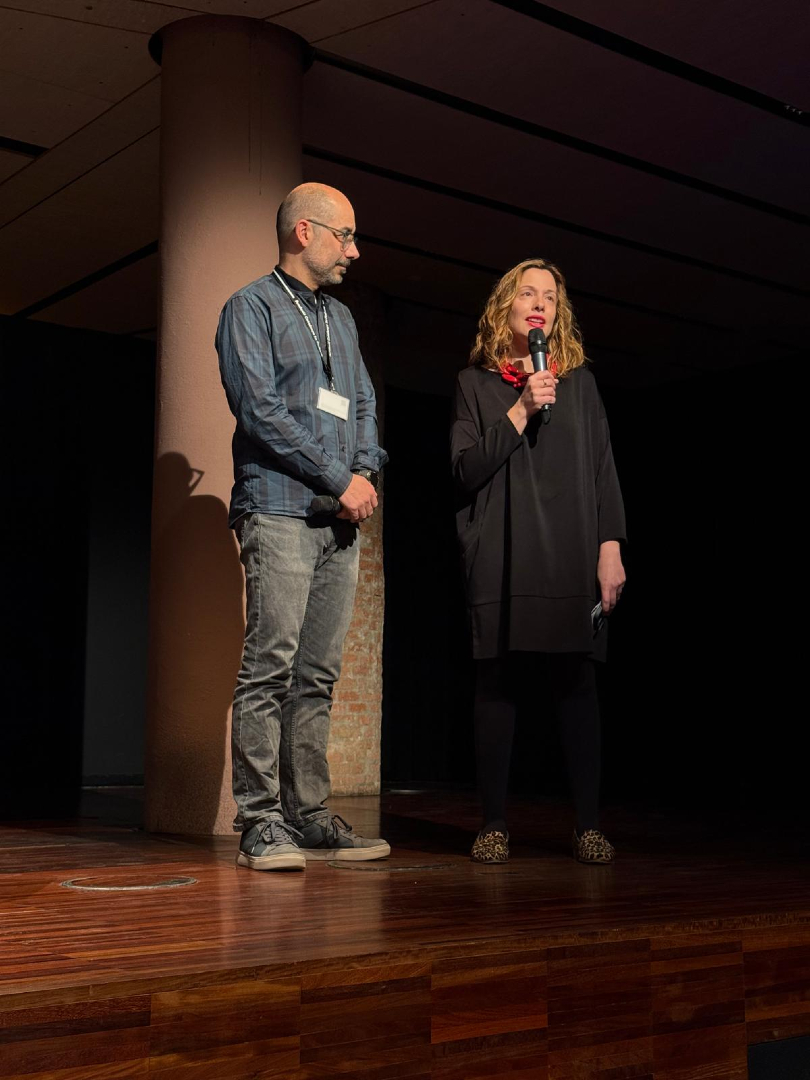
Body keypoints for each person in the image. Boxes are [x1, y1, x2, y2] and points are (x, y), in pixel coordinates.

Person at [216, 183, 390, 871]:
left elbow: (364, 405)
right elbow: (260, 411)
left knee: (316, 675)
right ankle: (259, 822)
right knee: (271, 667)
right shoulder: (250, 307)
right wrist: (337, 478)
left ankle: (309, 815)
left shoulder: (340, 318)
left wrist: (364, 475)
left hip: (337, 520)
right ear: (304, 232)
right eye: (345, 235)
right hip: (281, 509)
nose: (354, 250)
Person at [450, 258, 626, 865]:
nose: (539, 304)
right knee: (497, 685)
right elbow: (465, 470)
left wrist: (611, 546)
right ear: (506, 308)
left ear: (558, 315)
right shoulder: (474, 385)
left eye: (550, 297)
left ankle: (588, 825)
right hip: (503, 552)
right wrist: (521, 408)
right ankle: (494, 824)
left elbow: (603, 469)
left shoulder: (580, 385)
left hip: (572, 551)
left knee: (578, 687)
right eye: (527, 293)